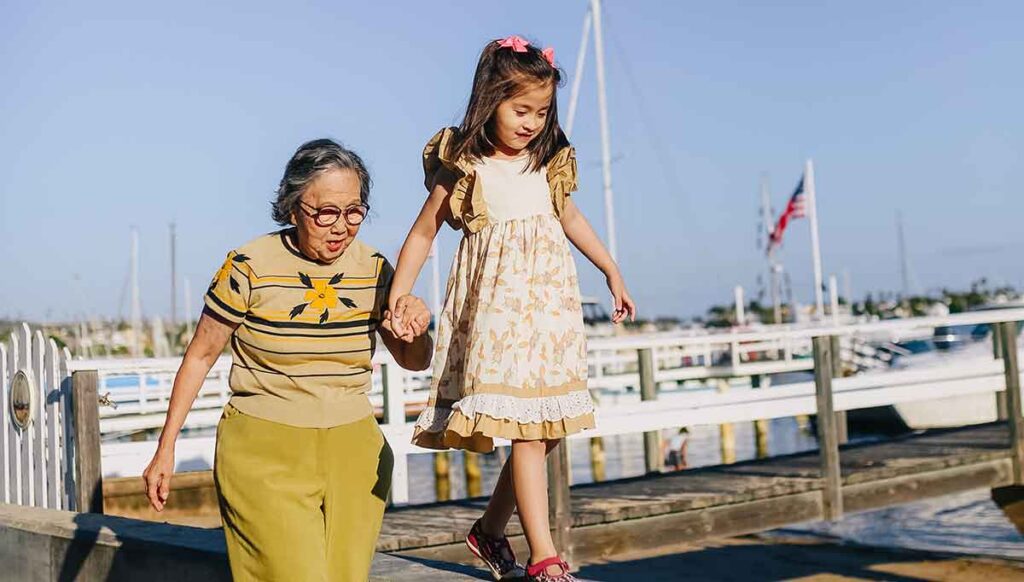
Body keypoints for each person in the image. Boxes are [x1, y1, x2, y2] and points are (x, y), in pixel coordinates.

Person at [388, 35, 636, 582]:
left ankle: (490, 530)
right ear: (490, 101)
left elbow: (570, 219)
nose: (531, 122)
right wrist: (399, 294)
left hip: (549, 312)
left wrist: (610, 269)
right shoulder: (466, 163)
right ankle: (543, 557)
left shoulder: (548, 162)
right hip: (499, 313)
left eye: (541, 111)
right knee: (528, 431)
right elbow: (423, 231)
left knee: (545, 429)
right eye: (520, 109)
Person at [142, 139, 433, 581]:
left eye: (354, 211)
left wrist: (417, 328)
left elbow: (413, 359)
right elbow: (200, 355)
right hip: (264, 451)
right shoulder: (249, 266)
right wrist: (166, 447)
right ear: (294, 207)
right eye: (327, 213)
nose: (342, 227)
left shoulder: (375, 269)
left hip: (354, 452)